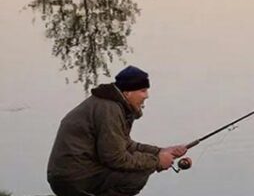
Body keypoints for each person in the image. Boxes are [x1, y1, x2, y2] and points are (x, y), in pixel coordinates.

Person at [47, 66, 188, 196]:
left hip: (72, 174)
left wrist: (160, 151)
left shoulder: (112, 104)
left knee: (139, 168)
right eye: (143, 91)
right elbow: (115, 158)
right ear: (127, 93)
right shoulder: (109, 109)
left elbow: (125, 145)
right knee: (136, 177)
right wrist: (156, 161)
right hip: (72, 178)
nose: (147, 96)